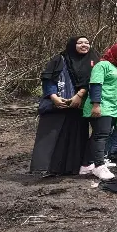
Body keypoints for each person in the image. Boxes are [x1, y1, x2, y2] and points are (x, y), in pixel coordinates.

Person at [31, 36, 97, 176]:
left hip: (79, 106)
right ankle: (49, 167)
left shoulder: (93, 61)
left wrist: (79, 96)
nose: (84, 45)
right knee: (54, 135)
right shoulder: (59, 59)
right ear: (73, 45)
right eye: (80, 43)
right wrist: (53, 97)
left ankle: (72, 168)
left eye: (87, 43)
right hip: (58, 105)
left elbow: (92, 81)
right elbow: (48, 78)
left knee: (76, 136)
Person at [82, 43, 117, 181]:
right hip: (101, 106)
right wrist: (96, 104)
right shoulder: (102, 65)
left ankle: (86, 164)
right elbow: (95, 85)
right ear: (114, 51)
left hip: (113, 108)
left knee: (98, 135)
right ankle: (99, 166)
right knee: (101, 135)